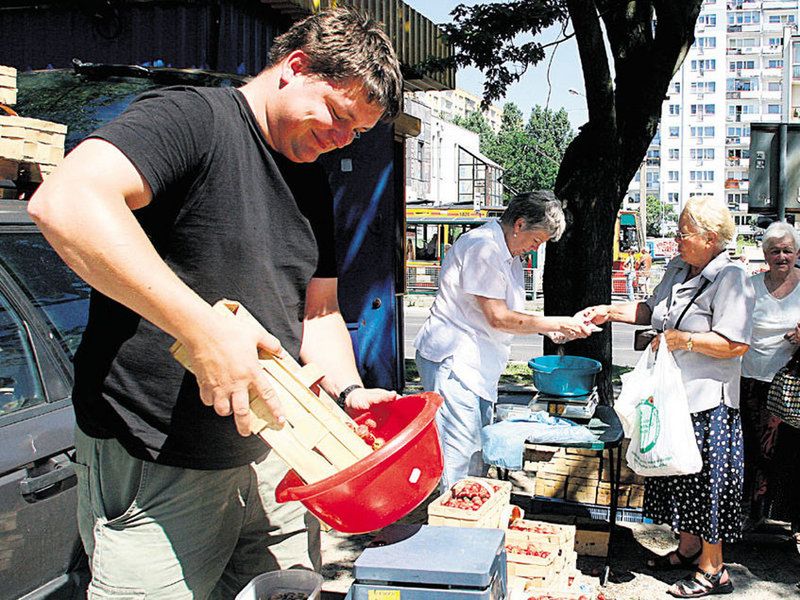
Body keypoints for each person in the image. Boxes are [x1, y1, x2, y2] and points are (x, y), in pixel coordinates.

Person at [27, 8, 403, 599]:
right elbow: (65, 202)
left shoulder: (309, 181)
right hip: (161, 460)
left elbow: (320, 312)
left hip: (277, 455)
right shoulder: (190, 118)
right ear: (295, 68)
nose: (340, 140)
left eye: (356, 134)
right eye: (337, 115)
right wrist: (203, 331)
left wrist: (350, 396)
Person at [582, 196, 754, 598]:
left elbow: (735, 344)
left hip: (709, 401)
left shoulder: (732, 279)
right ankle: (689, 548)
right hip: (672, 397)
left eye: (683, 233)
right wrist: (610, 311)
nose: (676, 240)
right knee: (680, 476)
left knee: (708, 482)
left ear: (710, 238)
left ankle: (714, 569)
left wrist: (685, 340)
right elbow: (651, 311)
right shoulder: (678, 268)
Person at [413, 191, 594, 492]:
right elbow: (497, 316)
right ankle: (456, 523)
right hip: (455, 358)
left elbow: (512, 315)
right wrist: (554, 323)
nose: (536, 248)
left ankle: (470, 516)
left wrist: (552, 330)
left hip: (478, 362)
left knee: (477, 448)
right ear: (519, 224)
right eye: (537, 239)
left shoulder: (509, 255)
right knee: (461, 452)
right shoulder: (483, 247)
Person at [739, 222, 800, 536]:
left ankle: (787, 517)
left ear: (797, 253)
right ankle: (754, 515)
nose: (781, 256)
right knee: (754, 449)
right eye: (774, 251)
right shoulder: (749, 286)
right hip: (752, 380)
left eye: (787, 250)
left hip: (792, 387)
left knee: (788, 452)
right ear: (764, 255)